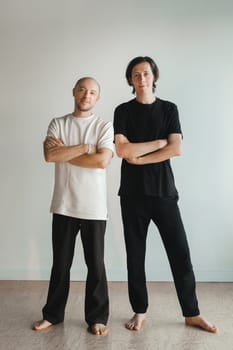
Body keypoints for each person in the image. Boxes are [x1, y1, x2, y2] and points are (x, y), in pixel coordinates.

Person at [113, 56, 217, 333]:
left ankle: (192, 313)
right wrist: (159, 143)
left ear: (154, 77)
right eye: (136, 75)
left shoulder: (169, 109)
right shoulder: (122, 111)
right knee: (135, 257)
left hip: (164, 194)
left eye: (146, 73)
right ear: (130, 80)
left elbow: (176, 149)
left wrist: (143, 155)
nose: (141, 78)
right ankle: (139, 311)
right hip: (132, 195)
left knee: (180, 253)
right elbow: (122, 151)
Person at [33, 77, 114, 336]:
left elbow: (102, 161)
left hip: (94, 207)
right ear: (73, 92)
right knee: (61, 265)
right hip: (64, 206)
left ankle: (97, 318)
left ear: (97, 97)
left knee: (96, 266)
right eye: (82, 89)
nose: (86, 95)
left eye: (92, 92)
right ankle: (53, 315)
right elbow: (50, 155)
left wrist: (67, 152)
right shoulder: (59, 123)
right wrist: (85, 148)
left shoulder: (104, 126)